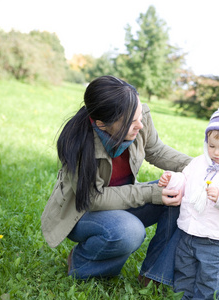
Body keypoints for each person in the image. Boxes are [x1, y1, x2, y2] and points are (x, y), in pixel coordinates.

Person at [40, 75, 192, 285]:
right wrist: (152, 193)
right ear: (102, 124)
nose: (140, 124)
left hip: (123, 201)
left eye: (140, 116)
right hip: (82, 213)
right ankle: (82, 263)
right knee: (129, 231)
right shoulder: (78, 144)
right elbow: (93, 199)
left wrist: (199, 167)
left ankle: (153, 275)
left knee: (177, 193)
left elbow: (155, 149)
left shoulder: (137, 116)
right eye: (132, 121)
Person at [158, 94, 219, 299]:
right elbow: (186, 180)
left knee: (208, 276)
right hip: (189, 231)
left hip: (214, 237)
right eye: (211, 146)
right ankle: (183, 296)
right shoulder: (198, 162)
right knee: (184, 270)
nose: (216, 153)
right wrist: (172, 180)